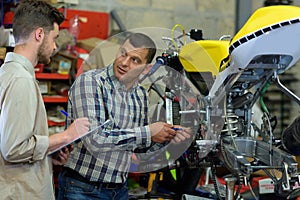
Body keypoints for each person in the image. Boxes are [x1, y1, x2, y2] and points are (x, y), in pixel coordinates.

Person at [58, 32, 191, 200]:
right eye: (123, 53)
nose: (124, 62)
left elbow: (139, 148)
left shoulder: (140, 95)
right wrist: (149, 131)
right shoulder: (91, 82)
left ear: (146, 68)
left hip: (119, 190)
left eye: (135, 60)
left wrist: (168, 137)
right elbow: (96, 140)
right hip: (82, 188)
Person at [0, 1, 90, 199]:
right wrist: (67, 135)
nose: (55, 46)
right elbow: (14, 149)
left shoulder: (9, 72)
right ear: (39, 35)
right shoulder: (20, 80)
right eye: (54, 38)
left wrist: (47, 151)